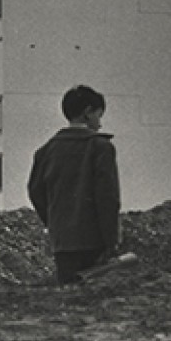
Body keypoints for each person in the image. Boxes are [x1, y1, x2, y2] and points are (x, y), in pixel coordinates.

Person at [27, 85, 122, 283]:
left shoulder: (45, 151)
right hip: (94, 241)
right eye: (98, 115)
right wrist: (111, 241)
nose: (100, 123)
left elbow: (35, 191)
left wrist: (54, 223)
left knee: (68, 302)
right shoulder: (101, 147)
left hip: (62, 243)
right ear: (87, 113)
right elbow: (108, 198)